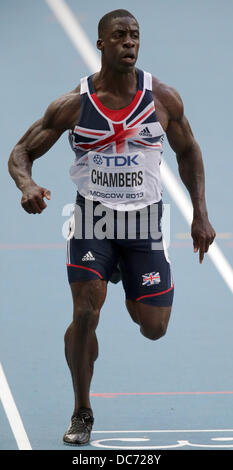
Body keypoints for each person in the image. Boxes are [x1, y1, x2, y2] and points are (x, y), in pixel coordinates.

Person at [8, 9, 216, 446]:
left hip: (144, 223)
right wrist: (27, 185)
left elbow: (189, 152)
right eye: (119, 35)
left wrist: (200, 213)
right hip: (93, 221)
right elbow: (21, 152)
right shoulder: (74, 104)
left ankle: (127, 282)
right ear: (101, 44)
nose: (129, 42)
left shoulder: (162, 99)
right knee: (85, 310)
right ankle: (82, 409)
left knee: (154, 327)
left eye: (135, 35)